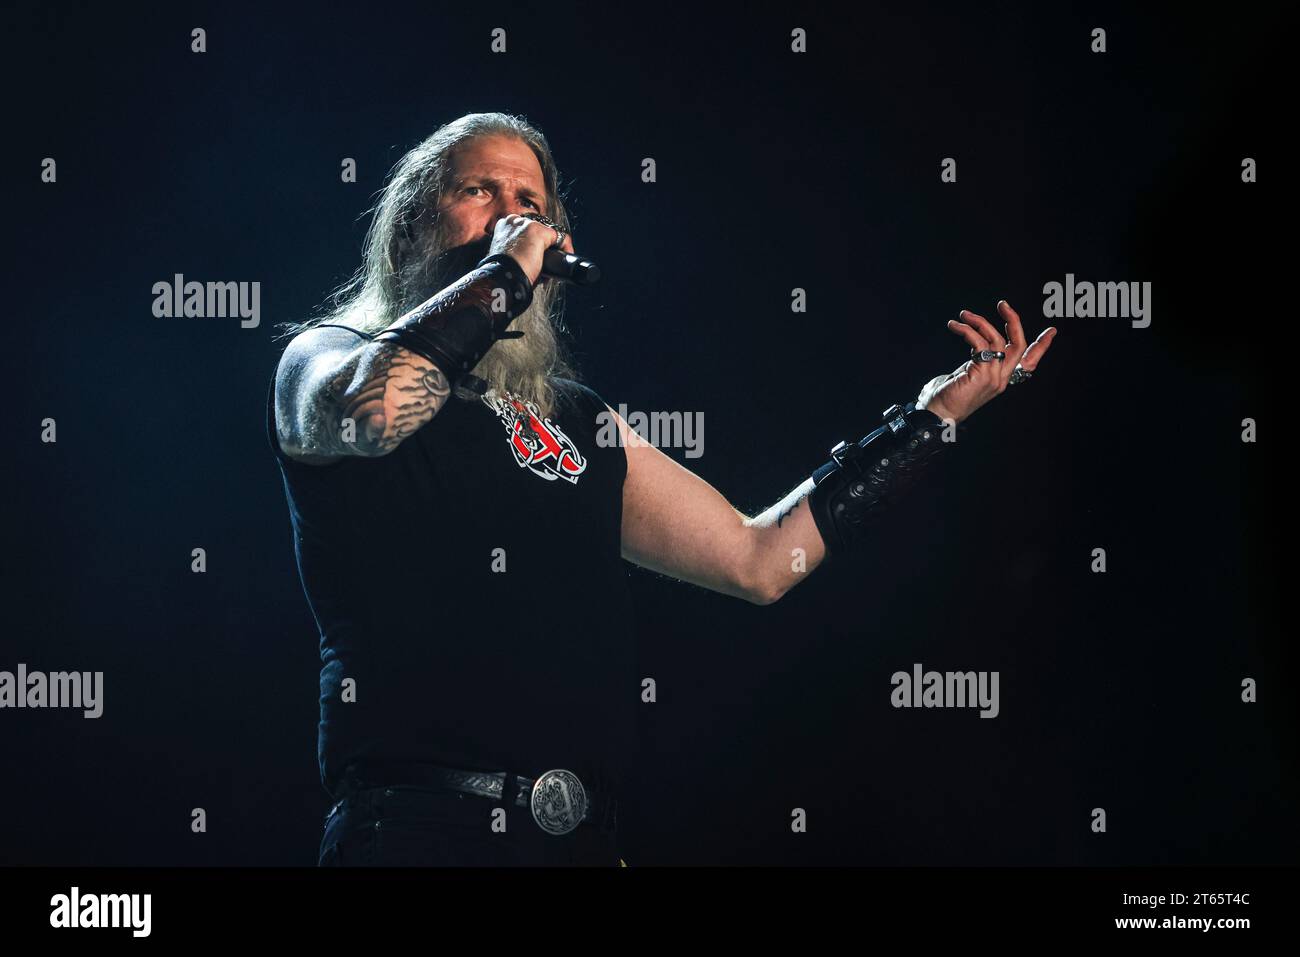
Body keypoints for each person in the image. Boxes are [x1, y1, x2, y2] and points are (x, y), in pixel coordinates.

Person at [266, 111, 1057, 867]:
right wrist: (506, 265)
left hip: (575, 843)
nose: (515, 216)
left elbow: (759, 560)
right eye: (480, 191)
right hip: (420, 831)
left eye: (532, 204)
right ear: (414, 221)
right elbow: (375, 413)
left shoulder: (572, 416)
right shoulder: (330, 354)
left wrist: (931, 417)